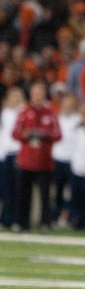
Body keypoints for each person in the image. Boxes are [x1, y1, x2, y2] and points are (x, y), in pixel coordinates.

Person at [12, 81, 61, 232]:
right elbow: (15, 133)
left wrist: (45, 135)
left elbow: (58, 134)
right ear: (31, 95)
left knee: (45, 196)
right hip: (26, 160)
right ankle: (22, 223)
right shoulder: (24, 112)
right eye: (36, 93)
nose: (38, 96)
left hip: (44, 161)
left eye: (41, 93)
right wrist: (26, 135)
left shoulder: (51, 113)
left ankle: (44, 224)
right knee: (23, 194)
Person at [51, 92, 82, 227]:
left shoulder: (79, 120)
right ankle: (55, 217)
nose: (68, 107)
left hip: (73, 160)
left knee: (73, 193)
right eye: (66, 104)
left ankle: (71, 219)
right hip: (57, 158)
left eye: (71, 104)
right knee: (57, 191)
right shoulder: (55, 118)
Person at [0, 87, 24, 229]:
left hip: (18, 154)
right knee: (5, 189)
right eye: (12, 96)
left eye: (17, 96)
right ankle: (5, 219)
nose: (15, 99)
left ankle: (16, 220)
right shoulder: (4, 113)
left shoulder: (23, 113)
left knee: (17, 189)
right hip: (4, 155)